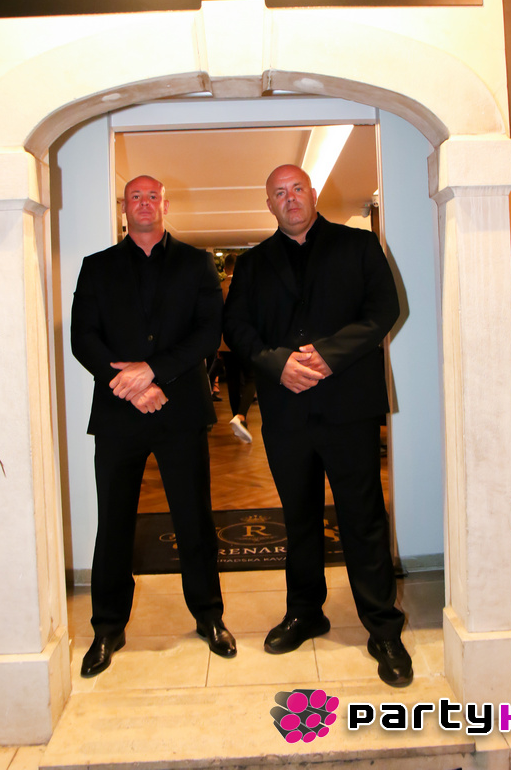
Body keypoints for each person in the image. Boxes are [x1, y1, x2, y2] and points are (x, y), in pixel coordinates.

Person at [223, 164, 412, 687]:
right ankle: (306, 612)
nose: (290, 199)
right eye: (279, 193)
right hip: (286, 409)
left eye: (297, 189)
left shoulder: (358, 245)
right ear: (269, 204)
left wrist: (329, 355)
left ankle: (383, 628)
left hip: (349, 405)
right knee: (299, 517)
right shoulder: (253, 263)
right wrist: (276, 363)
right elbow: (236, 327)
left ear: (312, 192)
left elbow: (383, 310)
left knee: (363, 517)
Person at [71, 175, 236, 677]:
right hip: (118, 411)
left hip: (180, 409)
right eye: (134, 197)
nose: (143, 204)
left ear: (165, 204)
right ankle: (107, 627)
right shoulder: (96, 266)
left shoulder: (195, 262)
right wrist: (131, 385)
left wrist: (153, 372)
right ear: (124, 208)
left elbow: (208, 331)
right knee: (114, 521)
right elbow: (83, 338)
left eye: (152, 197)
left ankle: (208, 616)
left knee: (193, 518)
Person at [219, 253, 256, 444]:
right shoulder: (247, 285)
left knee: (233, 381)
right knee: (252, 377)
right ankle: (241, 416)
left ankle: (238, 419)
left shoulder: (219, 287)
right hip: (244, 341)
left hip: (225, 343)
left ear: (225, 268)